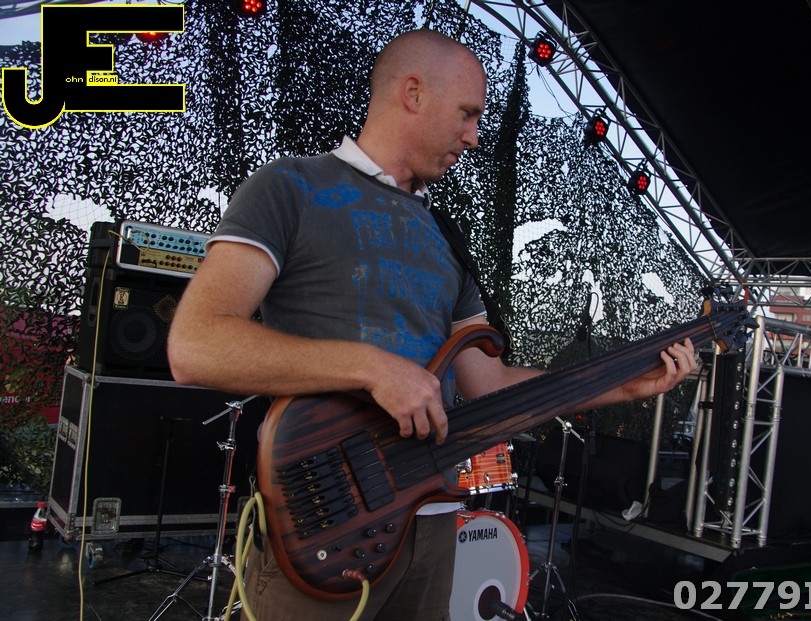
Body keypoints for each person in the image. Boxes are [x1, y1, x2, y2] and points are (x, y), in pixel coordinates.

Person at [167, 28, 697, 621]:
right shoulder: (289, 188)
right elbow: (195, 345)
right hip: (324, 527)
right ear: (413, 94)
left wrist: (621, 385)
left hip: (433, 526)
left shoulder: (445, 237)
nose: (474, 136)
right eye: (467, 113)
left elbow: (489, 388)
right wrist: (372, 368)